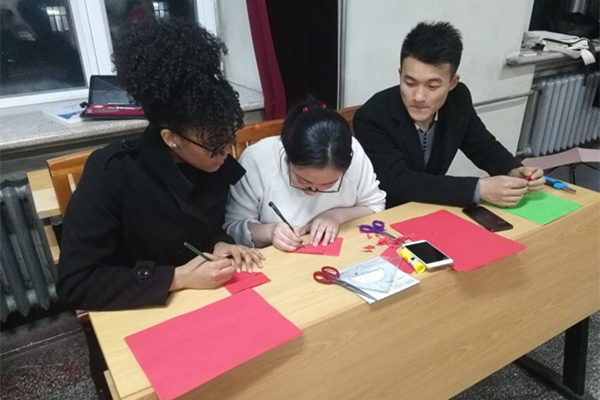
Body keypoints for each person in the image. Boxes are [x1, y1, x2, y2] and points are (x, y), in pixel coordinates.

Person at [56, 19, 264, 311]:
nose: (225, 153)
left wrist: (220, 243)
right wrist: (176, 278)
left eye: (229, 140)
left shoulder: (212, 162)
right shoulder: (112, 172)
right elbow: (75, 283)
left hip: (209, 299)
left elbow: (208, 227)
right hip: (142, 308)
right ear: (171, 138)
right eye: (214, 147)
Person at [354, 21, 545, 209]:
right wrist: (478, 189)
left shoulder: (457, 99)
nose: (418, 97)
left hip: (434, 208)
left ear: (452, 83)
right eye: (410, 83)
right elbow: (398, 182)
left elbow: (482, 146)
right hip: (388, 214)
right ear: (400, 75)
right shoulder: (373, 116)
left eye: (432, 86)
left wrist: (513, 170)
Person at [224, 98, 386, 252]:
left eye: (328, 184)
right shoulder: (258, 159)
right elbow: (232, 228)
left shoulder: (353, 152)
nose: (312, 192)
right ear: (287, 157)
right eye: (303, 181)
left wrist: (334, 216)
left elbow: (375, 205)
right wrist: (270, 232)